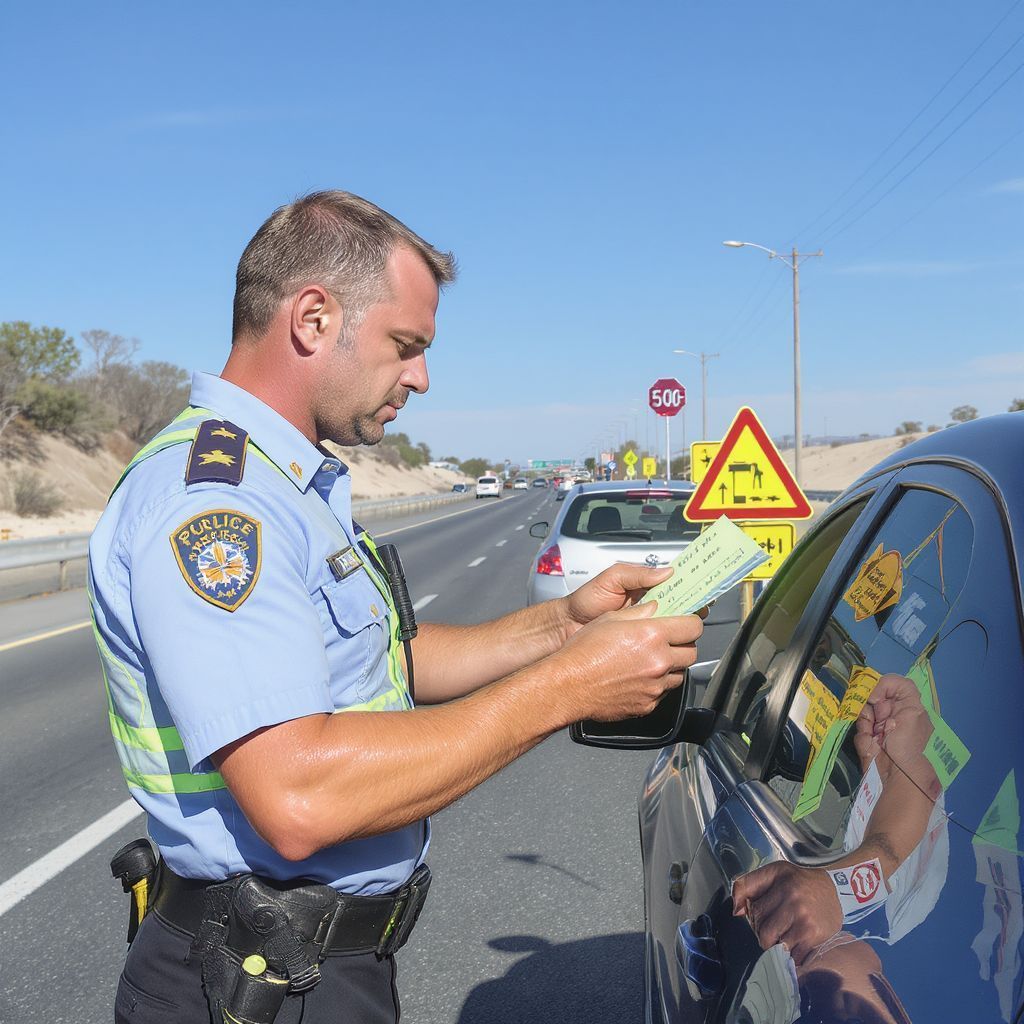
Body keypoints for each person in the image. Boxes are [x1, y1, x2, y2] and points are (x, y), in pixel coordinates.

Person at [88, 190, 705, 1024]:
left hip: (307, 970)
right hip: (250, 980)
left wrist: (566, 627)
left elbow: (379, 665)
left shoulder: (288, 482)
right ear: (312, 318)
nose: (421, 377)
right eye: (405, 345)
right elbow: (299, 796)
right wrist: (568, 691)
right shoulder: (216, 506)